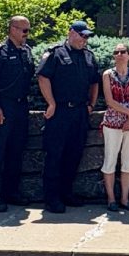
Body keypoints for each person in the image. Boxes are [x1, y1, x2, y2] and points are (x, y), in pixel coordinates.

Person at [37, 20, 100, 213]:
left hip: (80, 112)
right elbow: (43, 77)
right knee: (55, 155)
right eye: (82, 35)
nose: (85, 40)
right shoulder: (56, 53)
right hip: (60, 112)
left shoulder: (89, 56)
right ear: (71, 32)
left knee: (74, 155)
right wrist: (51, 103)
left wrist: (91, 104)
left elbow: (94, 82)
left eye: (87, 37)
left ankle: (66, 193)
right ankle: (52, 198)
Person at [0, 16, 35, 213]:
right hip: (3, 105)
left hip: (20, 106)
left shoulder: (26, 51)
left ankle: (10, 192)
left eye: (28, 30)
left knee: (16, 151)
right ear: (12, 29)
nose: (26, 34)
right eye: (23, 30)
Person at [101, 42, 129, 213]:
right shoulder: (107, 75)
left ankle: (125, 198)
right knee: (110, 159)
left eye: (123, 51)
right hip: (112, 121)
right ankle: (111, 199)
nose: (119, 54)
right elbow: (110, 101)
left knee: (127, 160)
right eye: (116, 52)